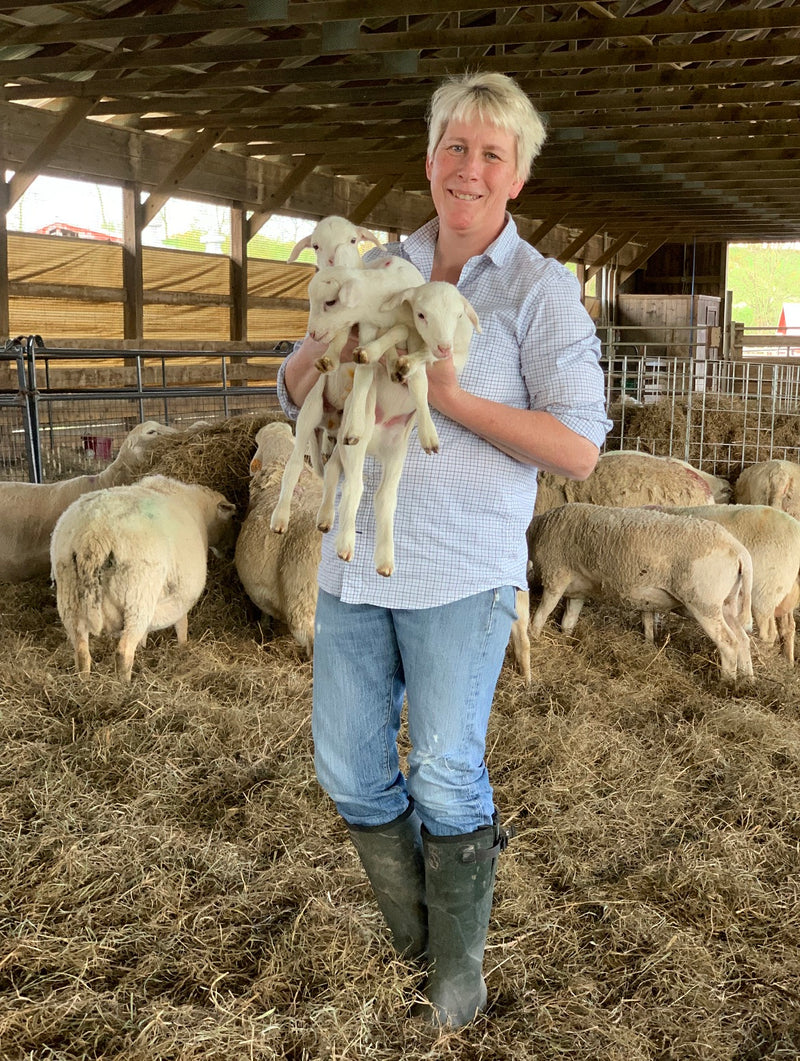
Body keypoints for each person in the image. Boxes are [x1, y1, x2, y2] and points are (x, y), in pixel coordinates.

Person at [277, 70, 611, 1027]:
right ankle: (423, 937)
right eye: (454, 148)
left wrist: (456, 398)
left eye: (491, 155)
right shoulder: (381, 264)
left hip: (463, 564)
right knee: (347, 766)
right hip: (352, 560)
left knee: (445, 771)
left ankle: (453, 968)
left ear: (517, 178)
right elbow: (293, 392)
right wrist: (310, 347)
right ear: (430, 161)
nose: (469, 168)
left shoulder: (542, 294)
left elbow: (582, 450)